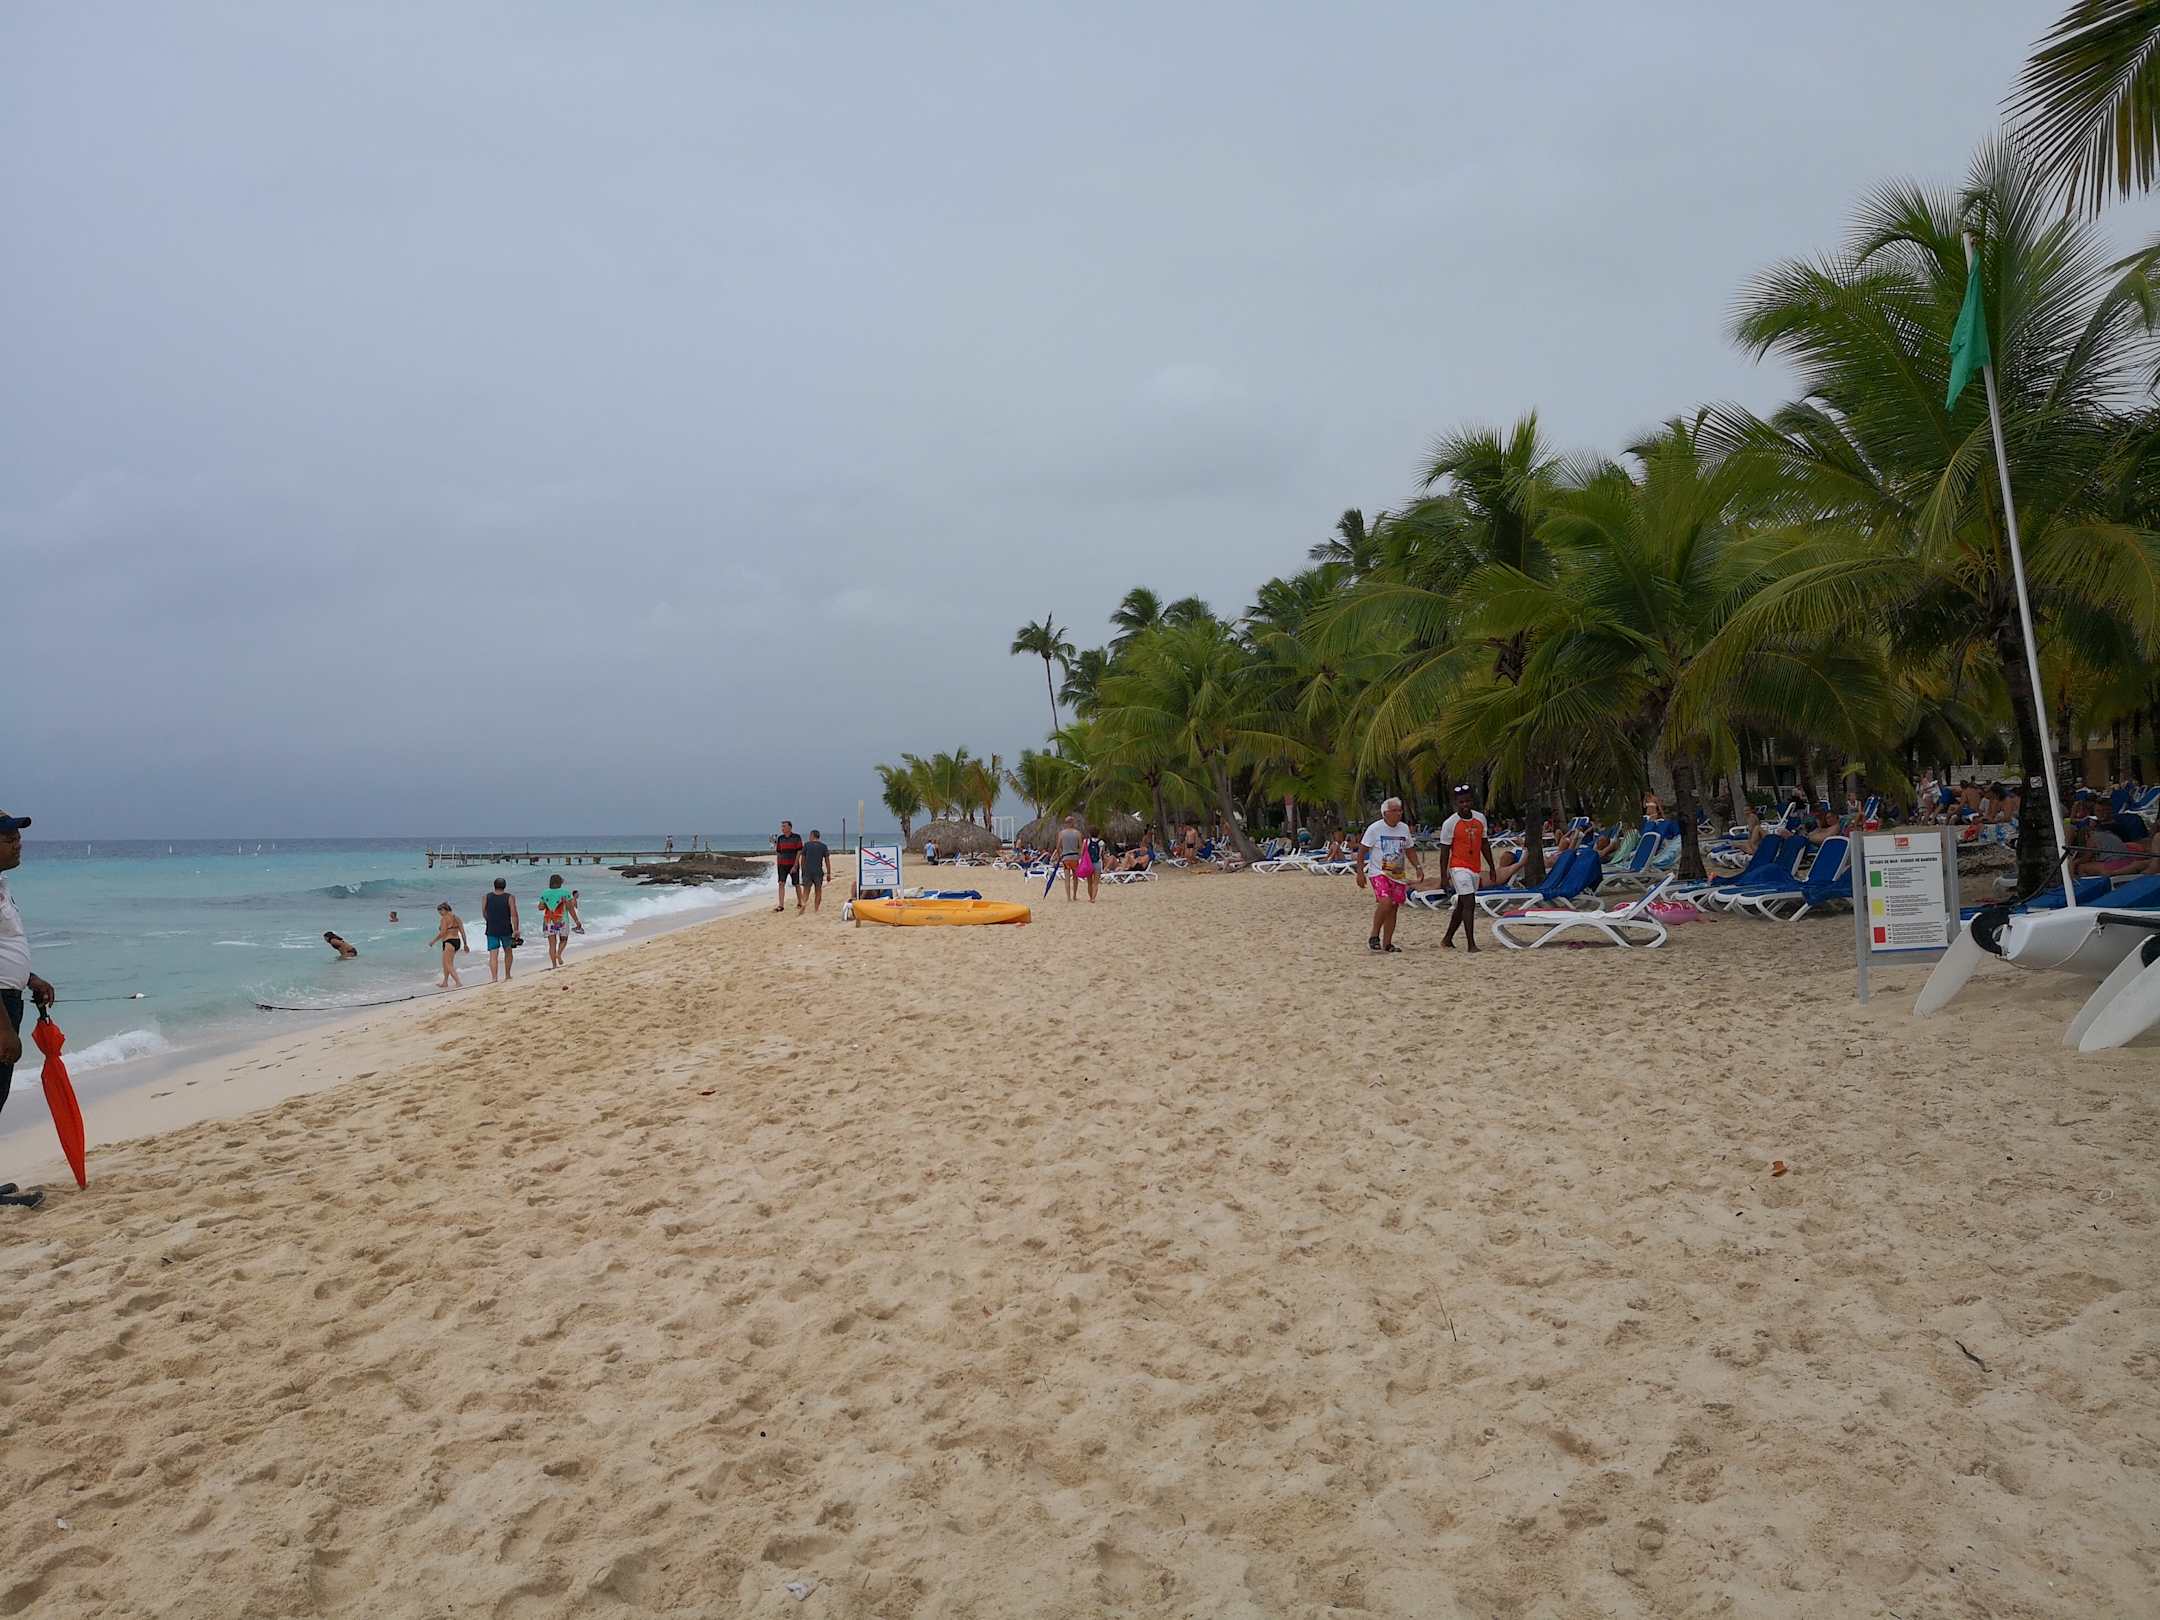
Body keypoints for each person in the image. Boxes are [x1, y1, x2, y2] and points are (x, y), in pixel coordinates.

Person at [0, 813, 55, 1211]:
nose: (18, 843)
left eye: (17, 837)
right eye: (8, 838)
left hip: (10, 997)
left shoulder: (2, 886)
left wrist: (29, 978)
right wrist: (3, 1029)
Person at [1355, 796, 1425, 953]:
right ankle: (1374, 935)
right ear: (1385, 813)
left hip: (1397, 874)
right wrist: (1360, 872)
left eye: (1400, 810)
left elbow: (1409, 849)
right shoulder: (1375, 828)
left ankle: (1387, 943)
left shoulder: (1404, 828)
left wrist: (1418, 867)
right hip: (1378, 872)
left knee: (1393, 907)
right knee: (1385, 902)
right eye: (1394, 810)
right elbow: (1362, 850)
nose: (1398, 813)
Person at [1437, 784, 1498, 950]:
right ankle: (1471, 944)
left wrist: (1492, 867)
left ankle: (1447, 939)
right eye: (1461, 802)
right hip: (1458, 867)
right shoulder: (1450, 823)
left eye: (1467, 801)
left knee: (1462, 905)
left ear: (1472, 801)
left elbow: (1484, 844)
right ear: (1456, 803)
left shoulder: (1480, 819)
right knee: (1469, 902)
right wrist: (1443, 877)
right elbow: (1444, 852)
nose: (1465, 805)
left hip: (1475, 867)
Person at [481, 877, 519, 982]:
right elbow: (514, 914)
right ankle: (507, 975)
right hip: (506, 928)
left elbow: (484, 912)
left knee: (493, 954)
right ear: (505, 886)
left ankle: (494, 978)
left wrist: (489, 921)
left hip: (491, 928)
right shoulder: (510, 897)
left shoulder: (486, 897)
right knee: (508, 951)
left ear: (494, 886)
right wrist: (516, 929)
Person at [536, 873, 574, 967]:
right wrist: (576, 921)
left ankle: (554, 965)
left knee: (552, 944)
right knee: (563, 940)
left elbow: (540, 907)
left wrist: (547, 904)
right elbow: (570, 908)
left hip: (548, 920)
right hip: (562, 920)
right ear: (560, 882)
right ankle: (558, 954)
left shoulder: (545, 893)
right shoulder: (566, 893)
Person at [430, 902, 465, 988]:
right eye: (439, 911)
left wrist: (433, 941)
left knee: (448, 964)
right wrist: (465, 944)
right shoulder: (457, 918)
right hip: (457, 941)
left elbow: (442, 933)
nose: (440, 913)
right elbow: (462, 932)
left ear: (445, 909)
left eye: (440, 911)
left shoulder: (444, 918)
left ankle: (458, 982)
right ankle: (445, 982)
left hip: (449, 942)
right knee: (446, 963)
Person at [797, 829, 831, 914]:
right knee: (818, 890)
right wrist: (829, 873)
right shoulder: (823, 846)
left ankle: (804, 903)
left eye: (810, 835)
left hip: (807, 871)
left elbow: (803, 859)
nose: (809, 837)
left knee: (806, 890)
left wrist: (803, 870)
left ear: (812, 835)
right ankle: (816, 909)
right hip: (818, 871)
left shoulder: (807, 845)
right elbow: (827, 861)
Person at [773, 821, 803, 909]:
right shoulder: (780, 838)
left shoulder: (796, 837)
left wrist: (795, 865)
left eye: (784, 826)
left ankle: (800, 902)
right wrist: (778, 864)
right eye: (782, 826)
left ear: (790, 827)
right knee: (781, 883)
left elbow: (799, 851)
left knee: (796, 884)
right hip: (782, 865)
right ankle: (781, 905)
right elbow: (778, 852)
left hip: (793, 864)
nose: (782, 828)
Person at [1054, 815, 1084, 901]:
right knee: (1075, 878)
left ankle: (1068, 897)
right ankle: (1074, 896)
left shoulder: (1061, 833)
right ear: (1073, 822)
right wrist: (1080, 856)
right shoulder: (1077, 833)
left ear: (1066, 823)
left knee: (1067, 879)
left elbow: (1058, 847)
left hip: (1066, 858)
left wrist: (1060, 855)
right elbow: (1081, 847)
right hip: (1075, 857)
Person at [1081, 826, 1103, 902]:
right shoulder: (1101, 842)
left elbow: (1082, 852)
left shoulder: (1086, 841)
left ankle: (1090, 897)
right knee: (1096, 883)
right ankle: (1093, 898)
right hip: (1097, 862)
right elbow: (1102, 854)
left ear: (1090, 833)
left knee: (1089, 882)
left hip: (1088, 863)